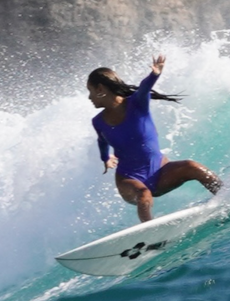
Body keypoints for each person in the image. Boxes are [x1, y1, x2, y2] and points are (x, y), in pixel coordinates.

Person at [87, 54, 222, 222]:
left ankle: (228, 197)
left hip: (160, 172)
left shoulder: (137, 103)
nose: (89, 97)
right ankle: (149, 235)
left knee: (192, 166)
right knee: (143, 195)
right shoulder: (98, 121)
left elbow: (144, 88)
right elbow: (102, 140)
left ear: (100, 89)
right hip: (129, 179)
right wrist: (105, 157)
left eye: (90, 91)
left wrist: (155, 74)